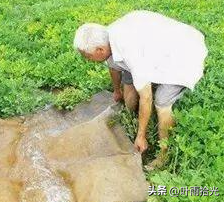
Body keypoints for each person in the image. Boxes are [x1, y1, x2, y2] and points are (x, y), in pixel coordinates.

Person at [73, 10, 207, 170]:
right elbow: (113, 66)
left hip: (182, 54)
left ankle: (163, 155)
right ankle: (131, 116)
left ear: (100, 50)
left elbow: (146, 97)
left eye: (87, 56)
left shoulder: (129, 50)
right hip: (154, 47)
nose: (87, 60)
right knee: (129, 81)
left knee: (161, 101)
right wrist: (117, 91)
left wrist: (141, 136)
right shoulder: (108, 37)